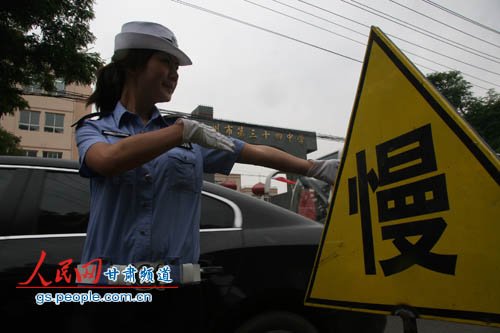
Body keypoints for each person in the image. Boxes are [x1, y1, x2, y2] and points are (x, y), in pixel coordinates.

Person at [75, 21, 339, 272]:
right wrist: (179, 133)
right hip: (108, 285)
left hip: (174, 288)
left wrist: (315, 168)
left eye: (176, 67)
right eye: (166, 61)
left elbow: (254, 152)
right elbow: (107, 160)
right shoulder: (96, 129)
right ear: (132, 65)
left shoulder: (191, 137)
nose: (174, 74)